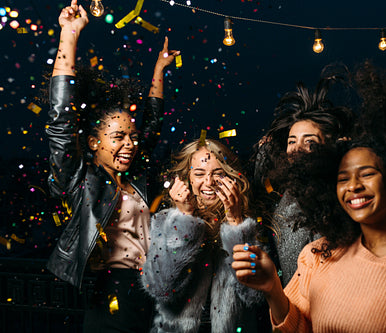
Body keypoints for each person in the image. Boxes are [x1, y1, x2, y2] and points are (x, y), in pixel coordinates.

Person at [232, 63, 386, 332]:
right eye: (343, 178)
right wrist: (272, 287)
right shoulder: (317, 255)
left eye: (366, 174)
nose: (353, 186)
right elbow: (297, 327)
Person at [45, 1, 180, 331]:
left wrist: (158, 72)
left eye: (131, 136)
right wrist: (70, 34)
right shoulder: (82, 181)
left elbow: (151, 128)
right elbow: (62, 120)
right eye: (118, 136)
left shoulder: (132, 181)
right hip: (111, 292)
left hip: (150, 290)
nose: (129, 144)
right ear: (93, 142)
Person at [140, 138, 270, 333]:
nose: (208, 183)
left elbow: (253, 294)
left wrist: (236, 223)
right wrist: (184, 219)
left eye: (217, 174)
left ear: (230, 176)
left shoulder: (247, 223)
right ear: (187, 177)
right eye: (199, 173)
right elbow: (162, 289)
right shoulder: (166, 220)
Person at [252, 69, 353, 286]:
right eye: (292, 141)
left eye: (310, 142)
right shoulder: (287, 196)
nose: (297, 149)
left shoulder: (340, 192)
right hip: (292, 309)